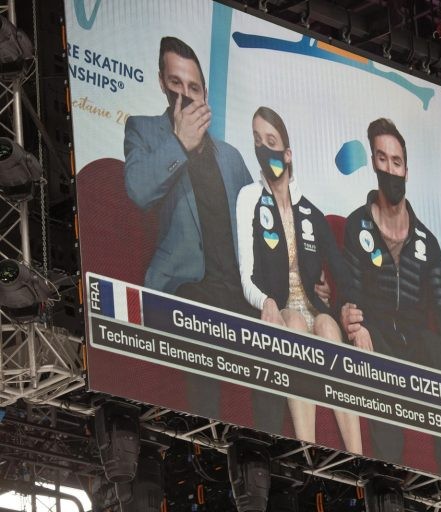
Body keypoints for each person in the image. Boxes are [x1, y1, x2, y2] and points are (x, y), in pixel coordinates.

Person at [124, 36, 253, 420]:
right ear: (162, 83)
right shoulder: (144, 131)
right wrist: (179, 142)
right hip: (184, 290)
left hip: (239, 294)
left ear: (205, 94)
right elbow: (138, 191)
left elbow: (259, 230)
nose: (185, 94)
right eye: (176, 84)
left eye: (193, 87)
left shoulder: (230, 157)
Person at [236, 106, 362, 453]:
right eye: (258, 141)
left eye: (272, 141)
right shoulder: (249, 198)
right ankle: (309, 452)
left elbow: (341, 272)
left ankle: (357, 455)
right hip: (277, 309)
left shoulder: (310, 212)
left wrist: (355, 318)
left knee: (326, 326)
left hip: (312, 306)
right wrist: (267, 302)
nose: (265, 149)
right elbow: (245, 272)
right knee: (294, 323)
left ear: (287, 153)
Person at [340, 118, 441, 463]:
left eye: (397, 161)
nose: (391, 168)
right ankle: (387, 473)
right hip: (378, 335)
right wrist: (352, 322)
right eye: (383, 159)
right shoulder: (355, 224)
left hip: (417, 340)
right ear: (374, 163)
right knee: (375, 359)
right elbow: (352, 291)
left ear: (407, 169)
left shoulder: (427, 241)